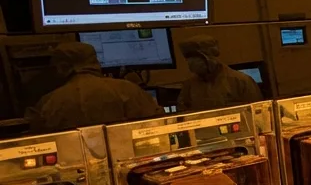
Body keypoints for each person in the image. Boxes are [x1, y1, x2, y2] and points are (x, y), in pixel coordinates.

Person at [26, 42, 162, 133]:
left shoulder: (50, 102)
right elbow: (159, 124)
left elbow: (37, 137)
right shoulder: (129, 90)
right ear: (95, 62)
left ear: (60, 67)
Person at [177, 35, 262, 112]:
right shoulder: (189, 86)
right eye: (188, 59)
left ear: (210, 57)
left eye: (196, 58)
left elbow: (258, 112)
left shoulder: (241, 82)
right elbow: (182, 115)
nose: (191, 63)